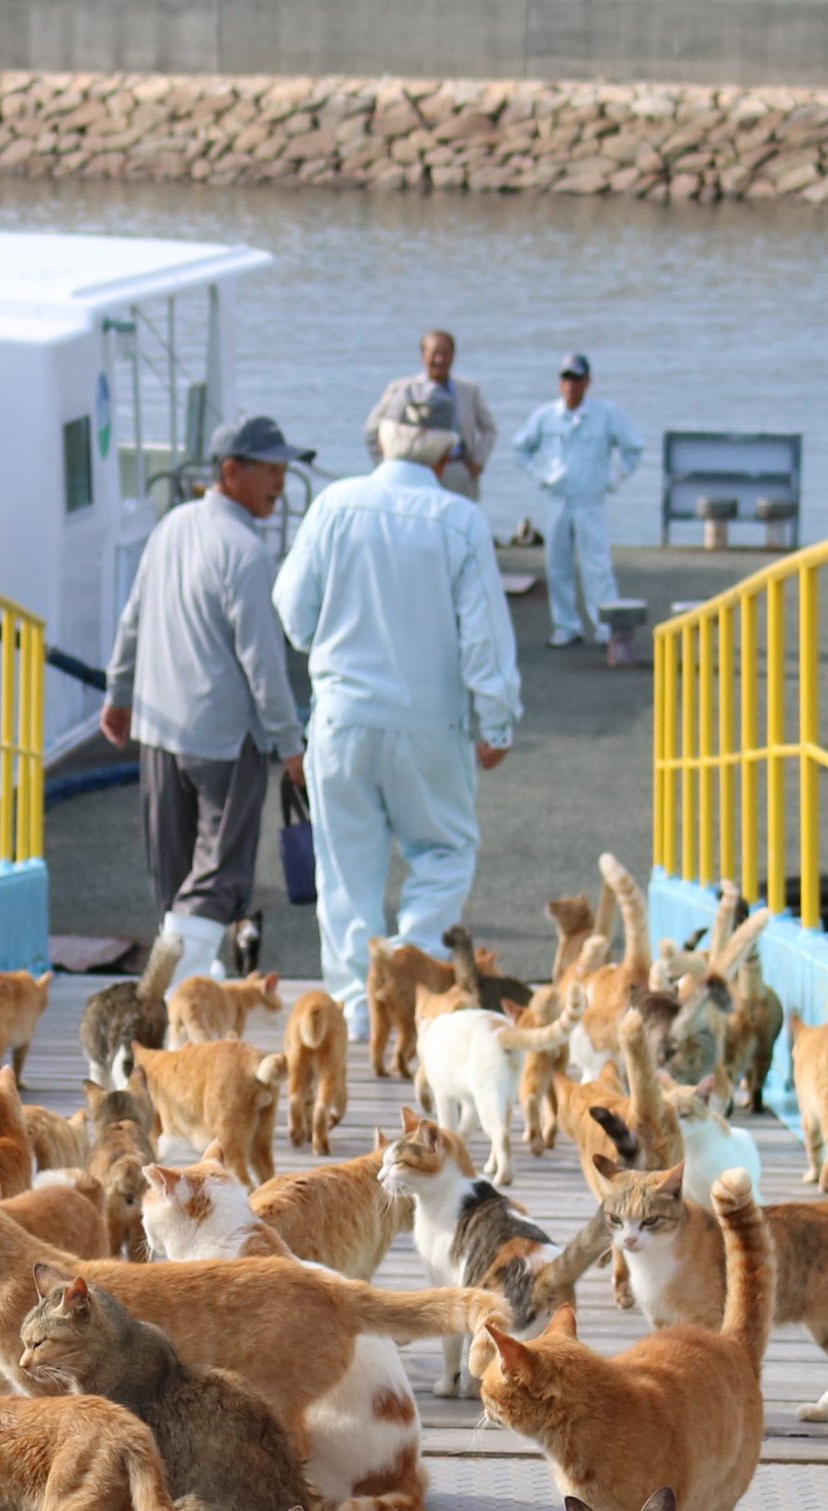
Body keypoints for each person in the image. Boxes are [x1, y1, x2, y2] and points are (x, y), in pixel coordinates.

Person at [276, 377, 521, 1039]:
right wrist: (497, 720)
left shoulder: (333, 505)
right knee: (442, 853)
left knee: (347, 872)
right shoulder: (461, 521)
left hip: (342, 719)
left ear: (380, 441)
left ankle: (359, 1012)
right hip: (430, 725)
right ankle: (413, 984)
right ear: (447, 457)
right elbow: (486, 639)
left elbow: (293, 614)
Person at [102, 413, 310, 979]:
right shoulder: (247, 550)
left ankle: (185, 988)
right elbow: (263, 662)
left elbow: (134, 618)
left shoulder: (170, 526)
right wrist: (291, 745)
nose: (281, 484)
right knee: (219, 876)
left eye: (284, 470)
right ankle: (169, 992)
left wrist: (118, 693)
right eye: (271, 469)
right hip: (223, 737)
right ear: (231, 470)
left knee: (173, 879)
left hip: (158, 728)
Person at [508, 352, 646, 651]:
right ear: (560, 383)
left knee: (597, 564)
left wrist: (615, 478)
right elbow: (520, 449)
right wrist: (540, 475)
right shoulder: (546, 416)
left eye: (576, 379)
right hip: (557, 499)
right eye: (566, 379)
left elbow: (634, 447)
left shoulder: (605, 414)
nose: (570, 385)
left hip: (590, 501)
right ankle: (566, 626)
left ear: (587, 382)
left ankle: (605, 625)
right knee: (558, 565)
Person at [362, 329, 495, 502]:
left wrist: (478, 462)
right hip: (413, 472)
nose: (439, 360)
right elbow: (371, 430)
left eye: (445, 354)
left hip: (455, 470)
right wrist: (386, 465)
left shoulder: (468, 390)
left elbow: (489, 429)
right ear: (423, 356)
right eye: (434, 354)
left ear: (453, 356)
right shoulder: (402, 389)